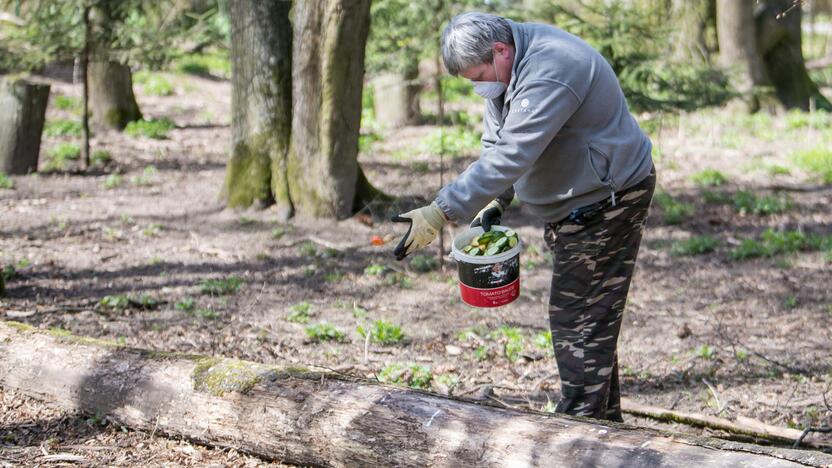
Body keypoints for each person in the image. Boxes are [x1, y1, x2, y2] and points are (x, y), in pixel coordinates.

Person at [392, 12, 655, 422]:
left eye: (478, 75)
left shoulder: (553, 66)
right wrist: (495, 200)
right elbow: (496, 141)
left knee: (576, 317)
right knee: (591, 313)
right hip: (575, 204)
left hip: (609, 200)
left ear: (500, 50)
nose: (479, 86)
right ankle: (603, 424)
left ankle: (578, 428)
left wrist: (439, 211)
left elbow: (515, 152)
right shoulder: (504, 71)